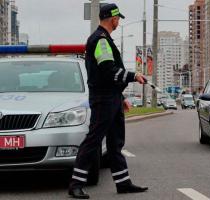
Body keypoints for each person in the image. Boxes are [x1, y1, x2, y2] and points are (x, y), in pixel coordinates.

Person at [68, 3, 148, 199]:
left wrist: (120, 98)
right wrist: (133, 76)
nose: (118, 21)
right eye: (118, 18)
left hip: (110, 98)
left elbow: (109, 75)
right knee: (94, 140)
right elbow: (108, 71)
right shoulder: (101, 40)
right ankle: (76, 184)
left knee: (115, 142)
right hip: (103, 99)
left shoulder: (104, 40)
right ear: (112, 19)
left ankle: (123, 183)